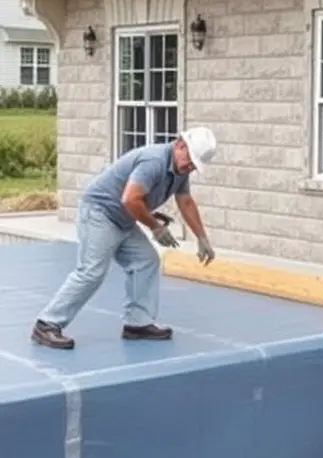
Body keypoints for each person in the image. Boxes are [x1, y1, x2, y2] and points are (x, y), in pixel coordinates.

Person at [31, 126, 217, 350]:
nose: (190, 167)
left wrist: (202, 238)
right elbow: (130, 199)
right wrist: (155, 227)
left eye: (195, 166)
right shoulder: (154, 161)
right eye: (190, 160)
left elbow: (185, 201)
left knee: (146, 260)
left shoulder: (180, 171)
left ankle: (137, 324)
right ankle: (46, 324)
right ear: (180, 145)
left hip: (124, 218)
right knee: (92, 271)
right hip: (100, 212)